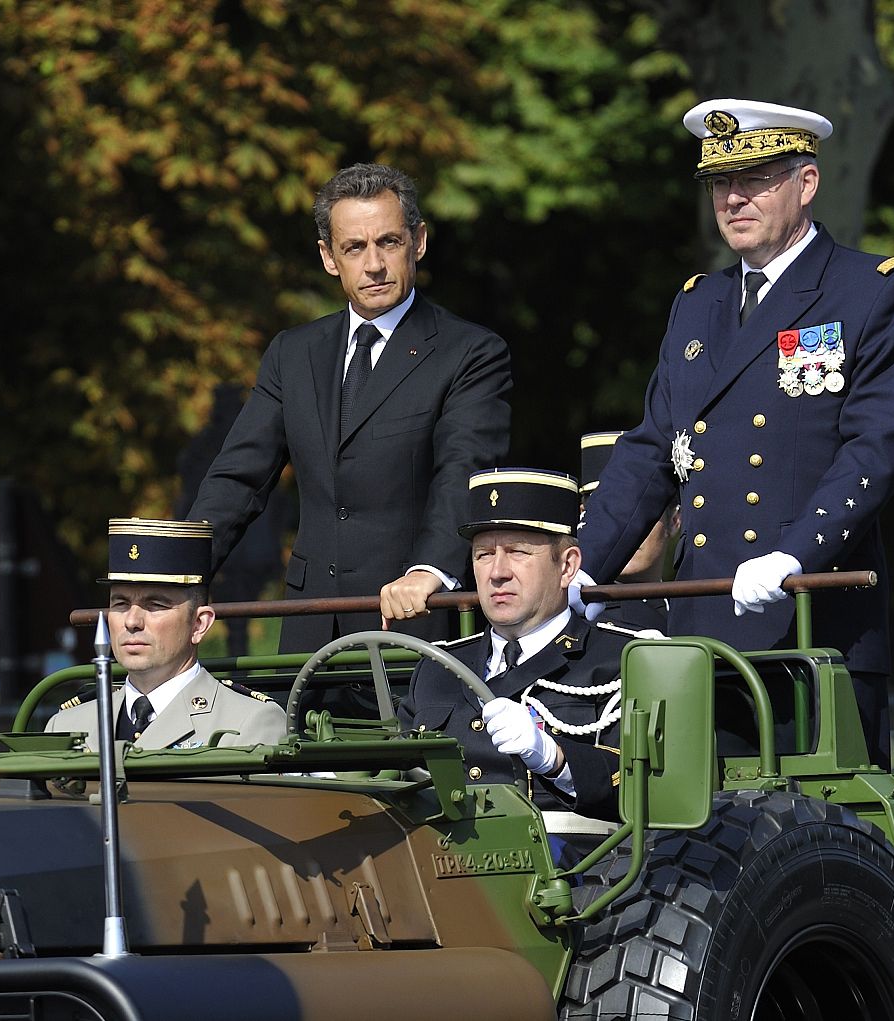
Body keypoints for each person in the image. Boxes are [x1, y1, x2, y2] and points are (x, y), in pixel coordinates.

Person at [575, 99, 894, 768]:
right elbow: (652, 451)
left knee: (815, 829)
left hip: (811, 625)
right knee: (695, 824)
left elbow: (873, 450)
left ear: (806, 182)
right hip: (704, 627)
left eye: (756, 179)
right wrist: (582, 570)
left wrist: (795, 554)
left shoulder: (871, 290)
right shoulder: (697, 302)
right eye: (720, 183)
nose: (733, 199)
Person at [188, 163, 512, 652]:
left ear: (419, 241)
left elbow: (463, 472)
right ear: (328, 257)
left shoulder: (470, 352)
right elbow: (238, 479)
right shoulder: (293, 353)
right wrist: (176, 577)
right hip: (310, 627)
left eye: (389, 242)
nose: (374, 265)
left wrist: (429, 571)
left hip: (415, 621)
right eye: (354, 248)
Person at [397, 469, 648, 821]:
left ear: (567, 566)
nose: (497, 572)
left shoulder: (625, 661)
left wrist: (556, 759)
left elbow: (651, 787)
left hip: (573, 853)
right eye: (484, 554)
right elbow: (397, 782)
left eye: (517, 552)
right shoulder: (437, 668)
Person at [48, 518, 285, 751]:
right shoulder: (67, 725)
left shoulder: (248, 723)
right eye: (120, 603)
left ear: (199, 624)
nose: (132, 621)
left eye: (155, 605)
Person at [579, 431, 675, 633]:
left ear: (675, 521)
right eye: (608, 514)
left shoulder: (688, 612)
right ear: (583, 516)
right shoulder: (567, 616)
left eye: (643, 514)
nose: (625, 529)